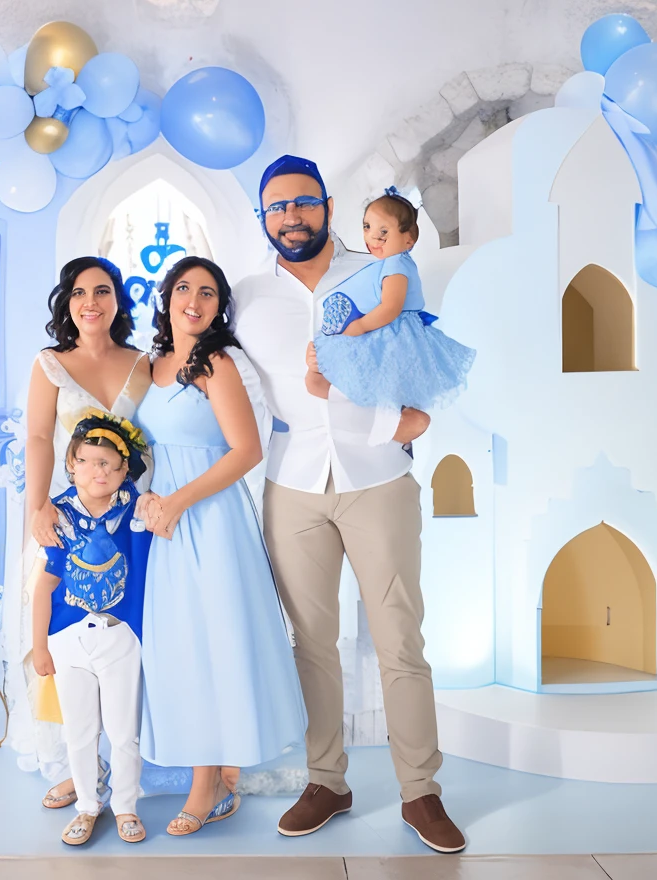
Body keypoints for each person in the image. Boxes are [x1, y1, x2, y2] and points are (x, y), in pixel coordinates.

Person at [235, 155, 467, 853]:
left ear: (327, 205)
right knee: (312, 645)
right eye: (276, 208)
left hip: (378, 479)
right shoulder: (245, 299)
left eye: (302, 203)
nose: (290, 217)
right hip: (293, 486)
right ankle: (326, 780)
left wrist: (409, 424)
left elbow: (418, 356)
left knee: (400, 639)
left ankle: (421, 793)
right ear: (263, 219)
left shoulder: (379, 271)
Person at [134, 256, 307, 837]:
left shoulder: (216, 363)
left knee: (215, 642)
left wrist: (176, 502)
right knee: (180, 648)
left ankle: (206, 786)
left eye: (208, 293)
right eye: (184, 288)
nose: (194, 300)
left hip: (209, 520)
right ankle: (217, 775)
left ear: (219, 307)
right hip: (163, 524)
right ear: (167, 297)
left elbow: (245, 450)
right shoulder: (152, 367)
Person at [17, 256, 153, 809]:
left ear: (118, 299)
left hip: (131, 518)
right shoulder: (50, 364)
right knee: (67, 632)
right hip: (67, 515)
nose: (90, 302)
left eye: (102, 291)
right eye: (78, 292)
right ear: (66, 301)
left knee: (125, 632)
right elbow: (40, 439)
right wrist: (38, 507)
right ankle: (78, 764)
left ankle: (130, 764)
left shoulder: (145, 362)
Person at [32, 413, 153, 846]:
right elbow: (44, 587)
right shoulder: (58, 516)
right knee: (79, 731)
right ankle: (87, 803)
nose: (96, 470)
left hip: (120, 635)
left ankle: (125, 805)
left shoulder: (136, 511)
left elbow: (148, 572)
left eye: (108, 463)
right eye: (86, 461)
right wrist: (40, 646)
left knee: (123, 731)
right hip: (68, 638)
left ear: (124, 471)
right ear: (71, 464)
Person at [310, 187, 475, 445]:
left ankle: (391, 424)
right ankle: (391, 421)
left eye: (383, 231)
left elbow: (391, 307)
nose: (373, 237)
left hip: (394, 332)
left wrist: (361, 325)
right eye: (367, 227)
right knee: (387, 382)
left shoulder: (395, 265)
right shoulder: (393, 263)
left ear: (409, 239)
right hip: (399, 330)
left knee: (383, 378)